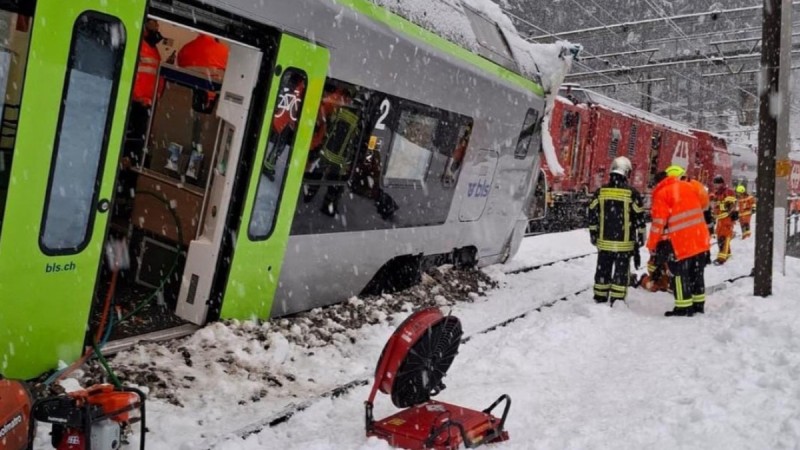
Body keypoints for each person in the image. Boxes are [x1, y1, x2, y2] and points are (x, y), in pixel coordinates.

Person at [647, 169, 711, 317]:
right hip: (700, 238)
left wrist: (652, 245)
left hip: (680, 241)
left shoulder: (662, 194)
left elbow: (658, 223)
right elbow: (704, 204)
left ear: (658, 183)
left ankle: (683, 307)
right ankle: (698, 305)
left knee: (679, 274)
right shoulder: (688, 186)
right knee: (697, 273)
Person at [587, 156, 646, 305]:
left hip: (604, 242)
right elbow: (639, 217)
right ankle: (617, 299)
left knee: (603, 269)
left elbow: (592, 214)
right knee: (621, 272)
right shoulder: (632, 193)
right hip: (624, 244)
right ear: (626, 173)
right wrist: (641, 237)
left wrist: (593, 233)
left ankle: (600, 296)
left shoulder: (600, 192)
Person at [710, 175, 738, 265]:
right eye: (714, 184)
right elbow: (715, 206)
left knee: (724, 237)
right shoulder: (717, 193)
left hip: (727, 218)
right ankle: (727, 253)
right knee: (720, 237)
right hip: (720, 219)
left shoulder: (728, 192)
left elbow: (731, 205)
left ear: (721, 183)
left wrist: (722, 207)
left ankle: (721, 258)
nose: (715, 186)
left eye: (717, 184)